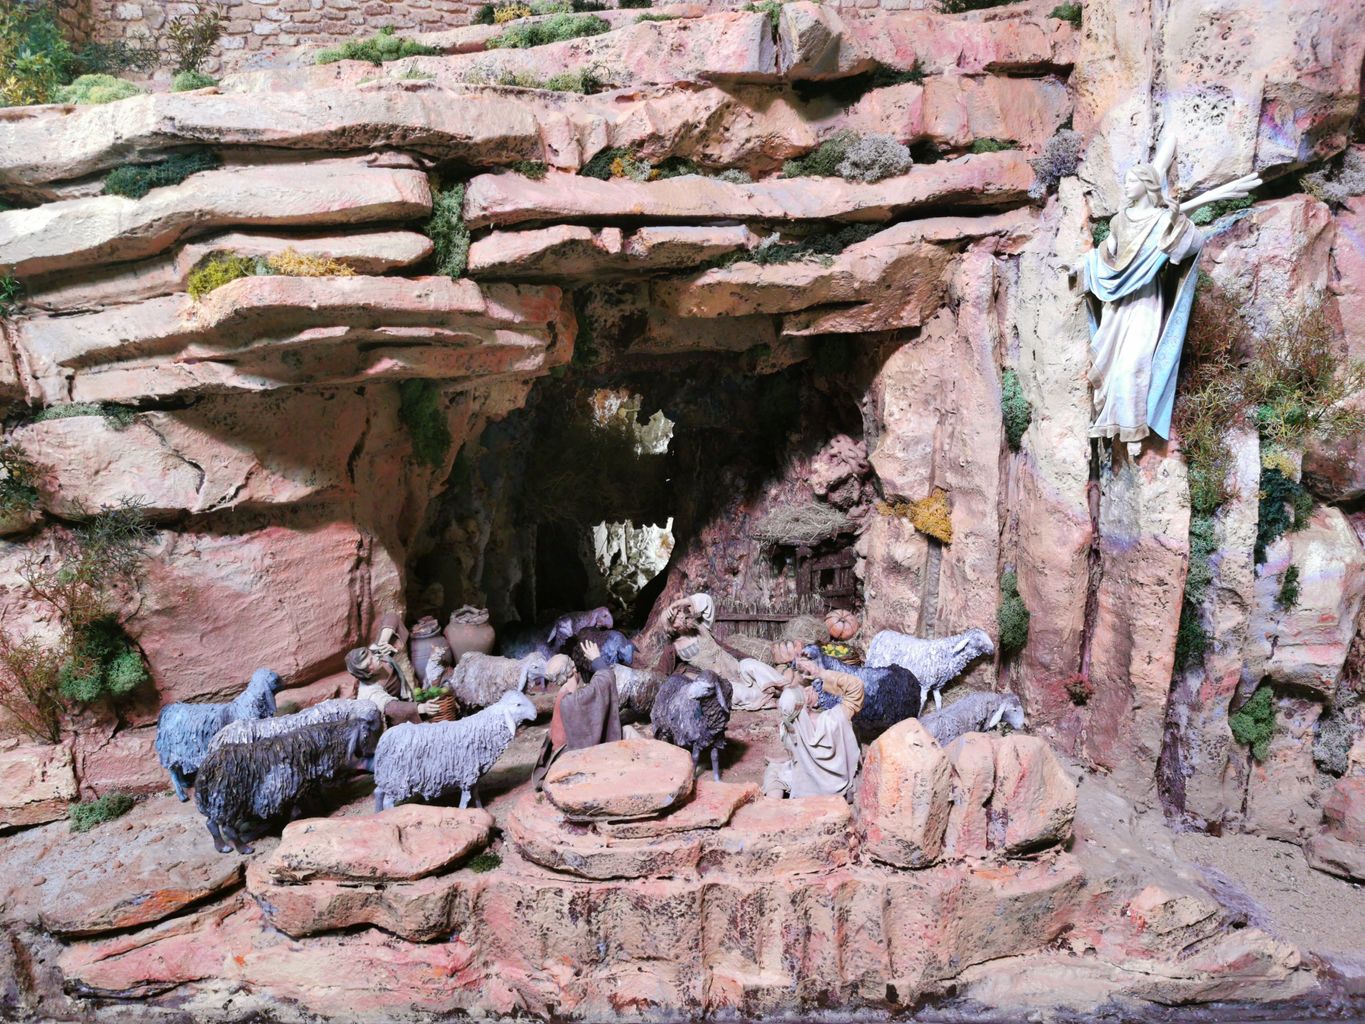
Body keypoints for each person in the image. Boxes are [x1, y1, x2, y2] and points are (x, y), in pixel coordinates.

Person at [1072, 141, 1259, 447]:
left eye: (1132, 181)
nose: (1127, 186)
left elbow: (1189, 246)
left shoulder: (1161, 219)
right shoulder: (1120, 220)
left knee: (1134, 364)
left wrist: (1176, 221)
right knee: (1116, 366)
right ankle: (1114, 422)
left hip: (1146, 299)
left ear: (1146, 186)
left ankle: (1134, 428)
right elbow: (1107, 254)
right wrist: (1081, 268)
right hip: (1119, 302)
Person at [655, 593, 783, 712]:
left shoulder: (701, 627)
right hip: (725, 682)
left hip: (736, 668)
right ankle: (769, 697)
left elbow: (707, 601)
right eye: (676, 616)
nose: (682, 615)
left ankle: (784, 686)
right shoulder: (674, 648)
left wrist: (680, 603)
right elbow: (660, 674)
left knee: (751, 664)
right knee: (738, 693)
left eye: (681, 612)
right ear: (672, 627)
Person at [762, 661, 863, 801]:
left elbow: (796, 756)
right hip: (837, 788)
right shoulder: (835, 719)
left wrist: (779, 761)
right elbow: (856, 686)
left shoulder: (787, 728)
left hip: (807, 791)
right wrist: (821, 673)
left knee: (774, 771)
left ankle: (772, 804)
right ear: (806, 701)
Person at [532, 640, 622, 789]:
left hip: (564, 755)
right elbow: (605, 679)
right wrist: (596, 659)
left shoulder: (564, 695)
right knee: (628, 734)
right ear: (574, 668)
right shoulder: (573, 700)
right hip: (573, 758)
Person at [347, 615, 440, 726]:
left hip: (405, 700)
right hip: (393, 720)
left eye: (371, 654)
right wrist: (421, 708)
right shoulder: (369, 691)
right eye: (369, 662)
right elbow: (391, 707)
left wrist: (383, 641)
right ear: (367, 673)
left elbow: (392, 618)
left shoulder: (378, 655)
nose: (376, 658)